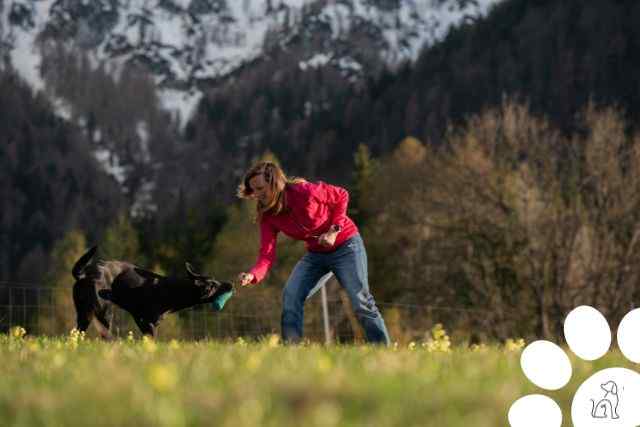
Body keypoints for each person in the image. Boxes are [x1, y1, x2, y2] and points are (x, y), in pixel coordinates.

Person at [236, 161, 391, 345]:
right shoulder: (268, 216)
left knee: (360, 300)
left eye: (261, 188)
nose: (258, 195)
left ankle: (382, 348)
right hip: (317, 254)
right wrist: (252, 275)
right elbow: (266, 255)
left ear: (274, 182)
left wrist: (333, 231)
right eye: (254, 191)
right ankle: (292, 350)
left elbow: (342, 195)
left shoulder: (305, 192)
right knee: (291, 295)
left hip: (346, 246)